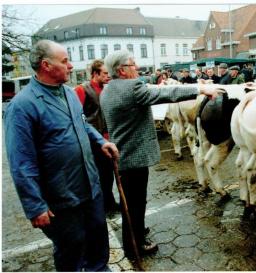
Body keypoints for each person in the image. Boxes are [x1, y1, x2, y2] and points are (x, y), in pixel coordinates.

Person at [4, 40, 119, 272]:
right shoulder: (22, 106)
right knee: (71, 248)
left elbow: (83, 125)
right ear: (46, 65)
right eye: (65, 61)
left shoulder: (68, 93)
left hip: (90, 187)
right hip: (61, 197)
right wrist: (35, 206)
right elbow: (21, 162)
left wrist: (101, 141)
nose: (70, 66)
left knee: (98, 239)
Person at [99, 50, 222, 259]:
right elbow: (166, 94)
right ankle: (135, 244)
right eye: (133, 65)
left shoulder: (107, 90)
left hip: (123, 155)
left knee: (130, 202)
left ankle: (136, 232)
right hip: (134, 156)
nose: (137, 68)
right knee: (136, 203)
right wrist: (202, 88)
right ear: (122, 70)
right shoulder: (131, 87)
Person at [75, 59, 119, 214]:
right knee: (102, 174)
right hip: (94, 140)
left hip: (109, 138)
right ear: (95, 74)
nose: (108, 76)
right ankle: (105, 205)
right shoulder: (82, 90)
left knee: (109, 174)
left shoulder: (106, 89)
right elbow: (77, 116)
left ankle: (109, 202)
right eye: (105, 73)